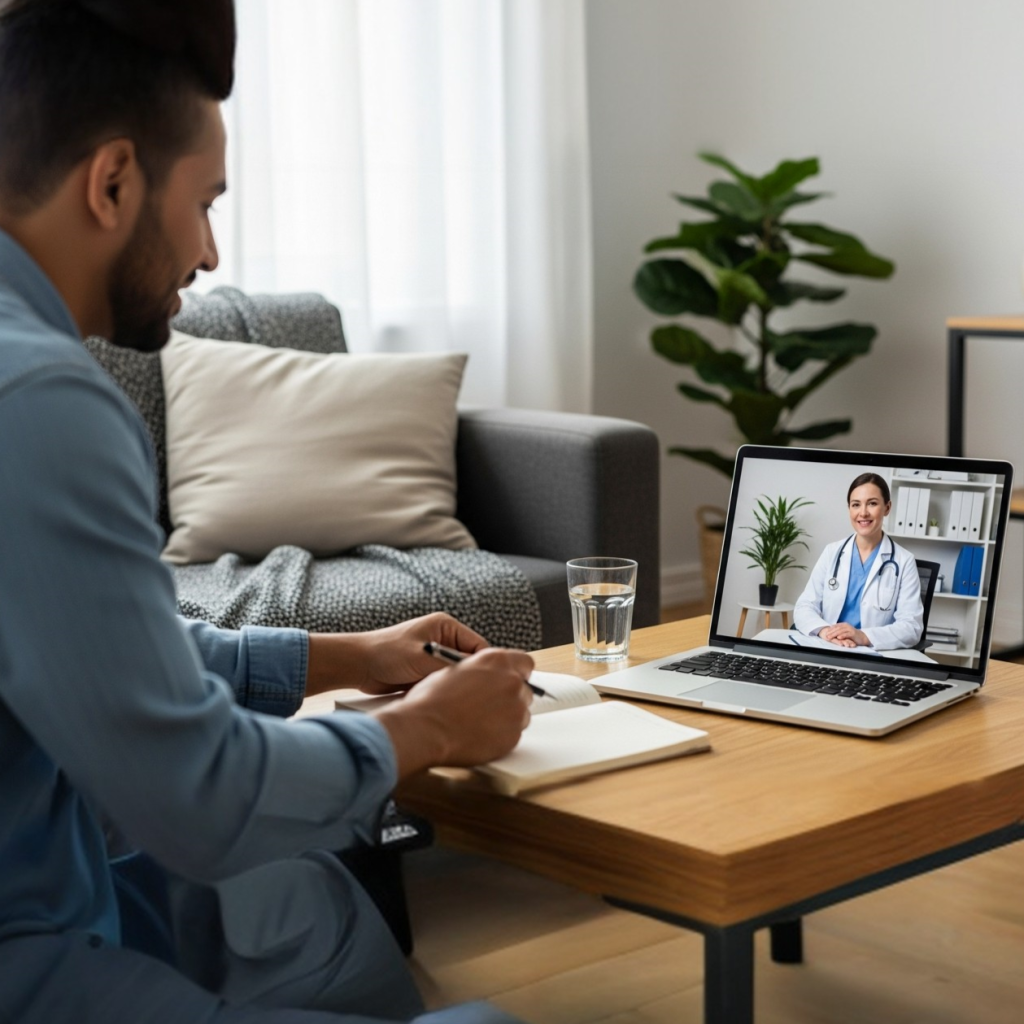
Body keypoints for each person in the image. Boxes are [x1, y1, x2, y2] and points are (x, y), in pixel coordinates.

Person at [0, 2, 532, 1022]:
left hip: (55, 882)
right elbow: (197, 795)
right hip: (25, 952)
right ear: (111, 183)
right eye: (205, 202)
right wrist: (421, 731)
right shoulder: (44, 402)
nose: (207, 253)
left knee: (301, 897)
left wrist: (350, 655)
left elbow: (110, 655)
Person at [793, 472, 924, 650]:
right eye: (856, 505)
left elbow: (912, 627)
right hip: (829, 646)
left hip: (871, 652)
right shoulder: (832, 552)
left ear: (887, 507)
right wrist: (825, 631)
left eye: (872, 503)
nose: (863, 513)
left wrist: (863, 636)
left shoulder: (904, 561)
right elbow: (804, 606)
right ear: (849, 509)